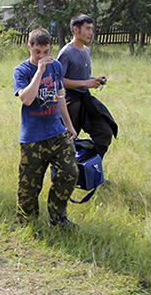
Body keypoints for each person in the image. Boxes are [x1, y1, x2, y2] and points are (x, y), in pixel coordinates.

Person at [13, 28, 79, 227]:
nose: (42, 56)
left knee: (70, 172)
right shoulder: (22, 70)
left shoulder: (56, 66)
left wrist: (69, 124)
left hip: (56, 132)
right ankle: (27, 222)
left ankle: (58, 218)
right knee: (29, 185)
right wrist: (39, 71)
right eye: (37, 52)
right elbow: (26, 99)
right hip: (33, 137)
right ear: (29, 48)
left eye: (46, 52)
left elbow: (60, 97)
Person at [56, 14, 118, 158]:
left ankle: (91, 171)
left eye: (92, 29)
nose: (91, 33)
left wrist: (94, 80)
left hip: (86, 100)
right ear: (76, 30)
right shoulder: (66, 52)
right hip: (70, 103)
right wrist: (86, 83)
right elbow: (59, 81)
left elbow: (80, 77)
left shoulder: (87, 50)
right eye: (88, 29)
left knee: (105, 132)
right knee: (67, 140)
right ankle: (68, 176)